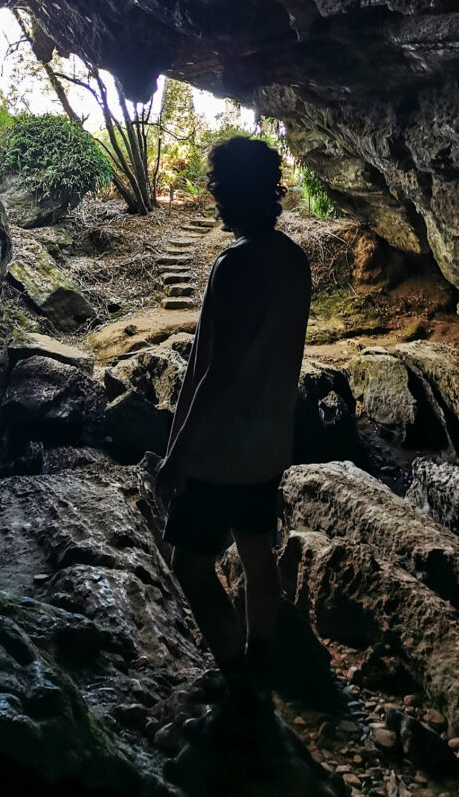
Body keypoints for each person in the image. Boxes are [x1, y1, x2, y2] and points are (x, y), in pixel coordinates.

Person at [155, 135, 312, 735]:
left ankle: (237, 683)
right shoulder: (292, 260)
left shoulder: (234, 265)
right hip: (270, 444)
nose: (213, 194)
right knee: (256, 554)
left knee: (191, 567)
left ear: (242, 189)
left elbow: (214, 374)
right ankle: (262, 661)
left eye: (219, 184)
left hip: (221, 453)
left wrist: (178, 456)